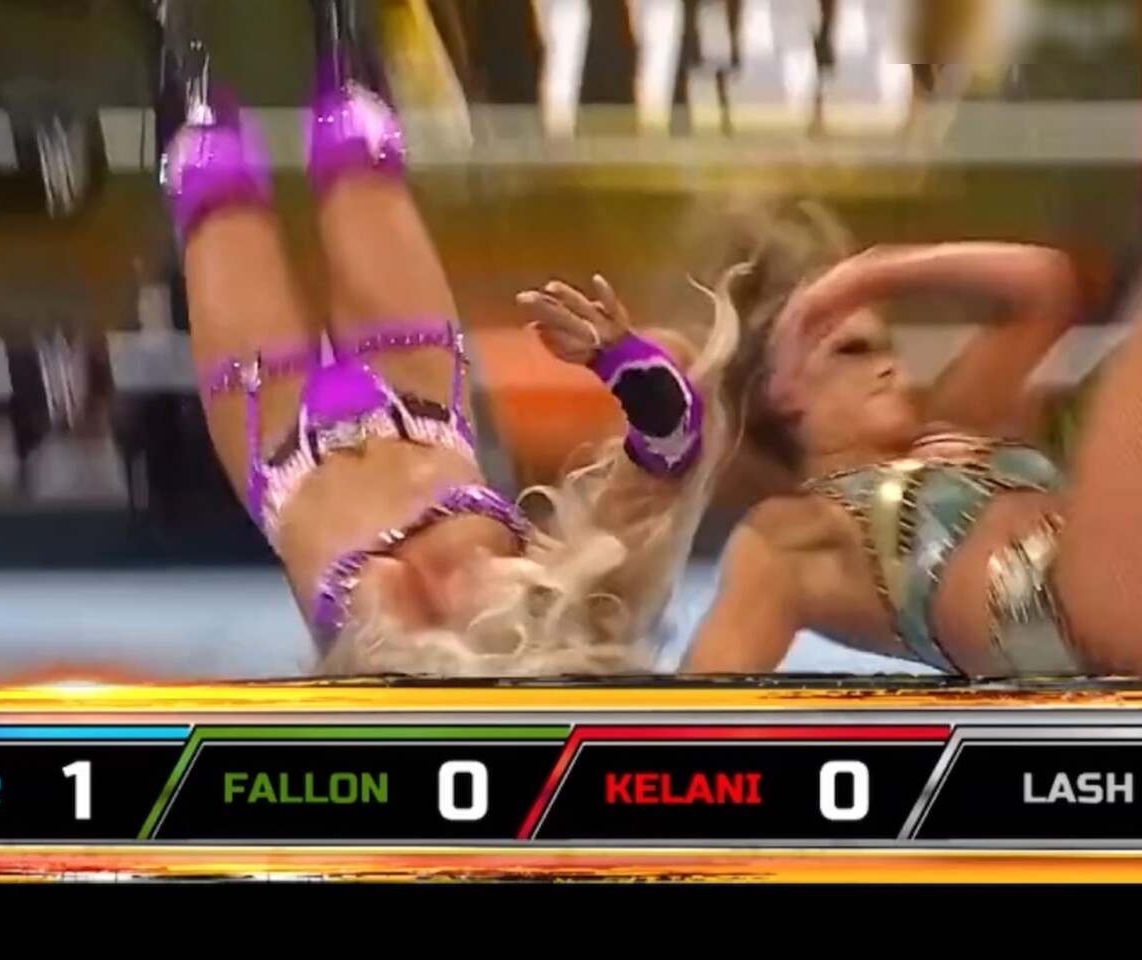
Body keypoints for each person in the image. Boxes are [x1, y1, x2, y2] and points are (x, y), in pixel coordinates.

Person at [160, 0, 735, 676]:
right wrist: (622, 360)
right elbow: (674, 444)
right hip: (415, 399)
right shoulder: (578, 624)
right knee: (354, 140)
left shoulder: (388, 707)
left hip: (287, 446)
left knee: (207, 166)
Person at [679, 201, 1142, 677]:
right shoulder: (790, 537)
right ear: (779, 391)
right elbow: (701, 700)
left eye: (888, 347)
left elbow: (1044, 283)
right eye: (853, 350)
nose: (890, 367)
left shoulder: (960, 419)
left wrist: (863, 278)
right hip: (1080, 616)